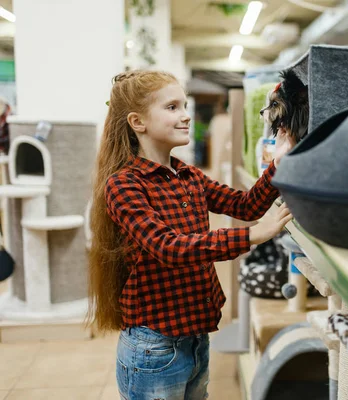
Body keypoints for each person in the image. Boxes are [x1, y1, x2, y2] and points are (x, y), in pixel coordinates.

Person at [87, 70, 295, 400]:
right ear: (137, 122)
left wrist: (278, 163)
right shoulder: (124, 185)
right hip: (154, 347)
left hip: (195, 337)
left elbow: (244, 204)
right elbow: (167, 247)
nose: (186, 116)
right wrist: (253, 236)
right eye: (172, 107)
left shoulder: (187, 175)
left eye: (184, 105)